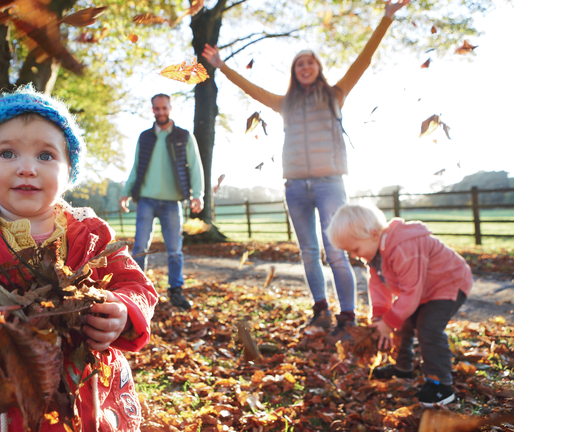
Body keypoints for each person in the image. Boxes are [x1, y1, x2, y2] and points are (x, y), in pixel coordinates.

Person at [0, 86, 158, 432]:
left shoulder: (92, 231)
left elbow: (135, 284)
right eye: (7, 153)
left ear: (69, 171)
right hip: (1, 391)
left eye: (45, 156)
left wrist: (121, 311)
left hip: (85, 387)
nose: (27, 168)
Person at [201, 0, 411, 340]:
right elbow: (251, 90)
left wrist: (386, 19)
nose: (305, 66)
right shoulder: (285, 104)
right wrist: (221, 66)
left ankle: (347, 316)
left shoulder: (335, 95)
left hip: (330, 184)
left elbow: (364, 61)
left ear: (318, 67)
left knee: (337, 251)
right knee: (309, 252)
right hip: (295, 187)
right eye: (299, 63)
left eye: (310, 61)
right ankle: (320, 311)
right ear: (294, 71)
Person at [326, 203, 472, 406]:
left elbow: (411, 292)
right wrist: (380, 318)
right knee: (402, 323)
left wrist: (389, 321)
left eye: (355, 249)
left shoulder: (404, 246)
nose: (354, 256)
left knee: (428, 328)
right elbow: (378, 288)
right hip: (423, 290)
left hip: (448, 283)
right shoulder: (376, 256)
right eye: (350, 252)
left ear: (374, 234)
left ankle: (440, 385)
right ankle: (403, 369)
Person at [119, 94, 204, 310]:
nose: (161, 112)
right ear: (152, 110)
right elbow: (136, 165)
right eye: (156, 108)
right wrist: (126, 192)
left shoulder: (183, 136)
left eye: (164, 108)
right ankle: (137, 290)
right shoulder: (145, 137)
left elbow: (195, 166)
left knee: (174, 250)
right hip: (146, 199)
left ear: (170, 108)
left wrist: (198, 195)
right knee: (140, 246)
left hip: (172, 202)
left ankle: (176, 291)